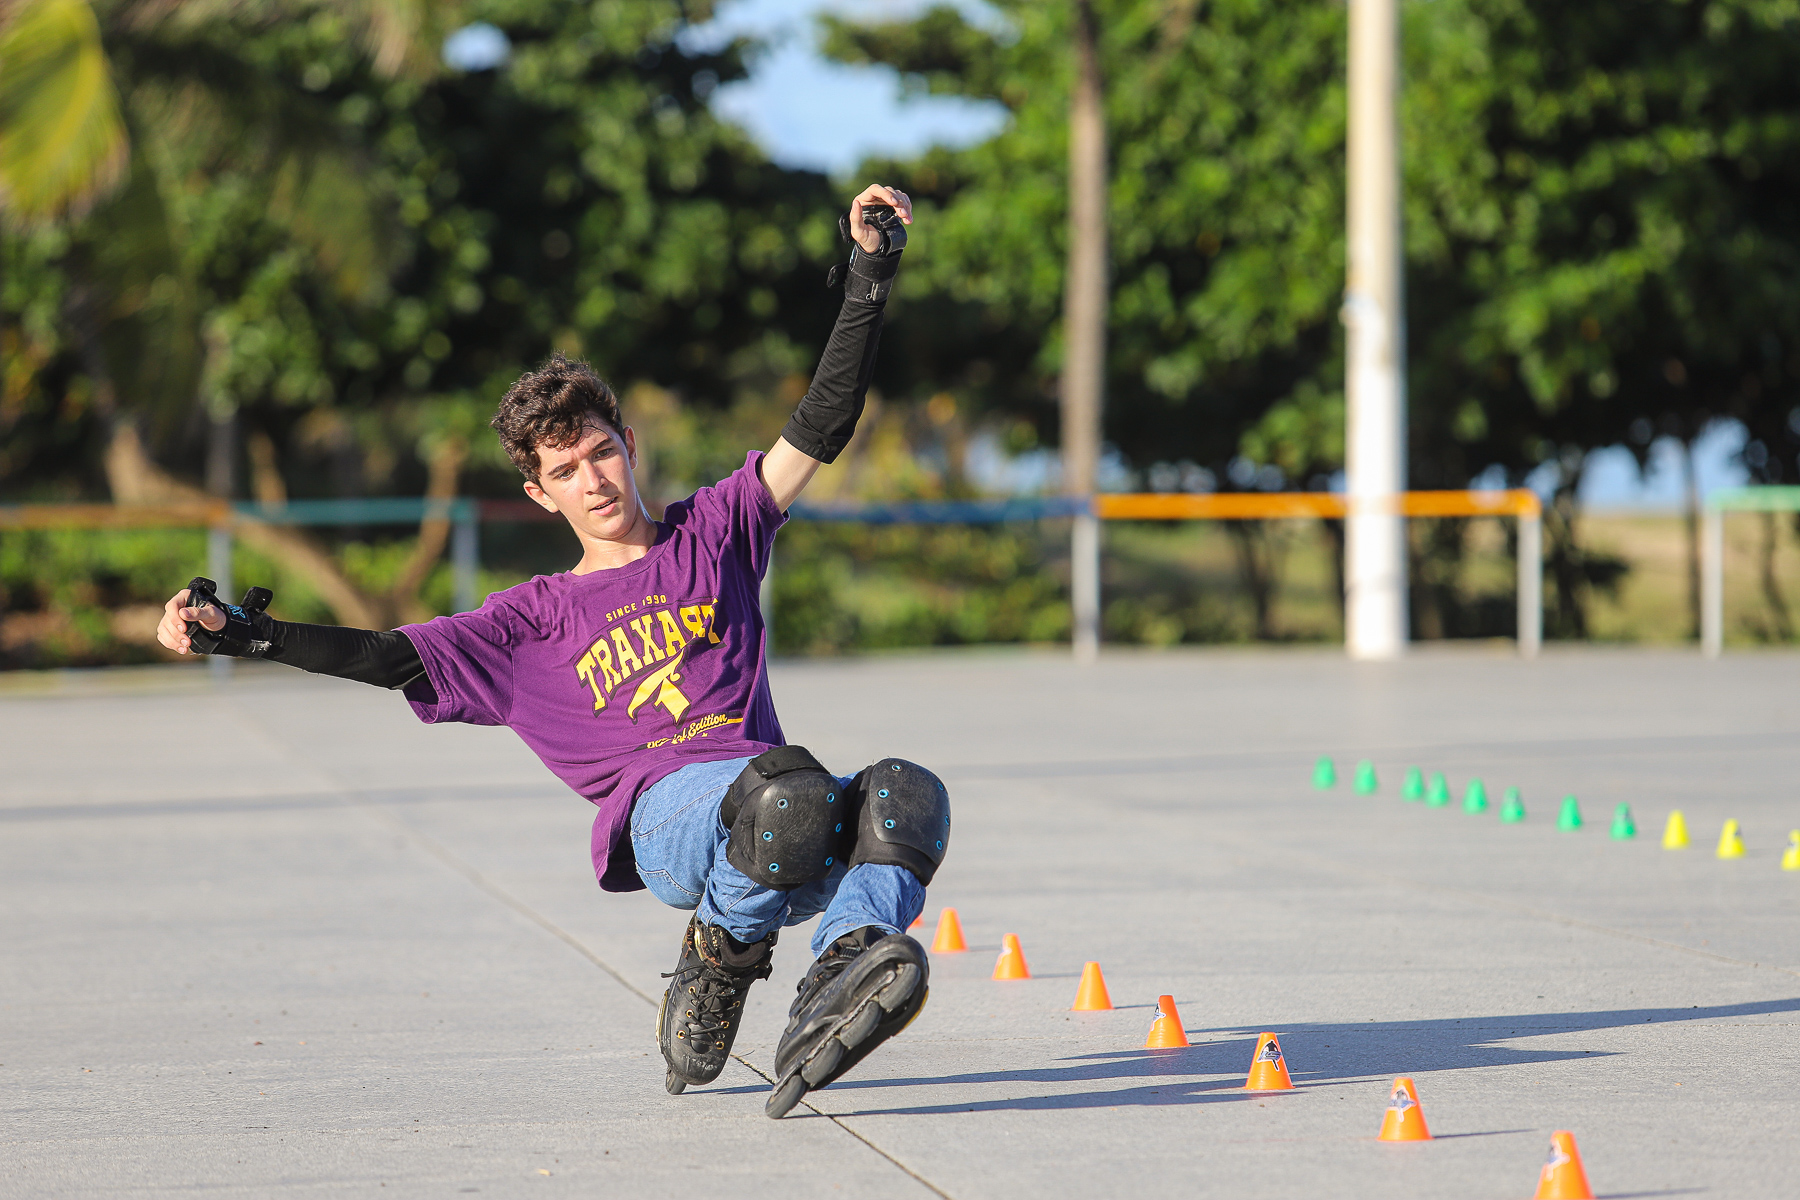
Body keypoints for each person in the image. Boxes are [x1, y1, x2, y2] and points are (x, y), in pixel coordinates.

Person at [155, 185, 948, 1120]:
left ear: (629, 446)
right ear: (540, 496)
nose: (593, 479)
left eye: (601, 453)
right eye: (565, 470)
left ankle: (844, 971)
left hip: (778, 808)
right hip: (667, 817)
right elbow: (387, 655)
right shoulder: (526, 622)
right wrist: (252, 635)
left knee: (903, 794)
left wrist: (869, 275)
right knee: (791, 787)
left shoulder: (717, 530)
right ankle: (718, 961)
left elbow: (821, 423)